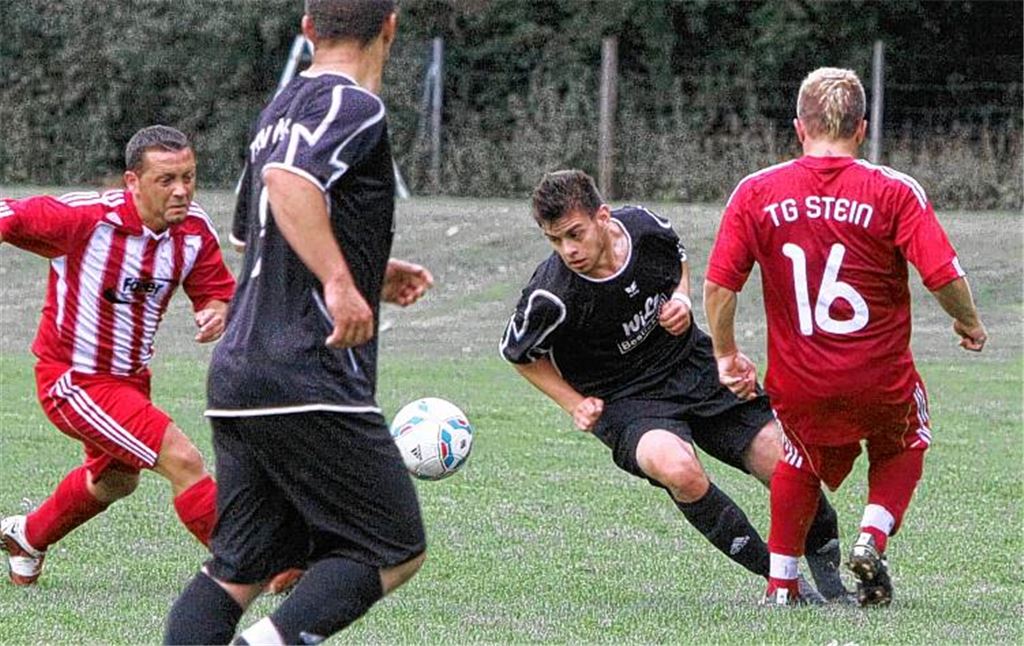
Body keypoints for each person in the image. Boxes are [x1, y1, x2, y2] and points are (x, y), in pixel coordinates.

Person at [164, 1, 434, 644]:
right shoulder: (352, 104)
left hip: (241, 373)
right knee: (390, 546)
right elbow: (289, 184)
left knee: (238, 569)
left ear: (308, 28)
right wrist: (339, 282)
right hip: (307, 371)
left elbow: (249, 233)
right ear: (390, 28)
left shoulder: (277, 111)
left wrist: (366, 269)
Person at [703, 67, 988, 607]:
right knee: (905, 440)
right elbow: (942, 275)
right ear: (861, 129)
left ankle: (781, 585)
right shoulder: (893, 191)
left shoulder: (756, 192)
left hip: (799, 381)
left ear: (798, 128)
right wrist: (968, 322)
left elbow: (720, 286)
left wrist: (725, 353)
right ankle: (870, 537)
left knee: (798, 456)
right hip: (878, 377)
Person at [499, 169, 849, 605]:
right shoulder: (551, 295)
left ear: (603, 217)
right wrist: (573, 403)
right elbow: (518, 354)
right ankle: (782, 582)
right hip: (626, 400)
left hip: (690, 365)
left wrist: (681, 297)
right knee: (676, 468)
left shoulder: (644, 228)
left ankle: (832, 577)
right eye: (555, 240)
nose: (568, 250)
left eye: (575, 234)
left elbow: (676, 257)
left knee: (783, 463)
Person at [0, 125, 233, 586]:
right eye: (166, 180)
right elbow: (8, 213)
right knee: (183, 460)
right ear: (133, 182)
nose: (181, 190)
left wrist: (216, 310)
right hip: (73, 380)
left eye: (188, 177)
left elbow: (215, 290)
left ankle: (27, 535)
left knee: (116, 480)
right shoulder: (86, 219)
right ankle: (252, 562)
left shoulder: (193, 229)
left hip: (130, 380)